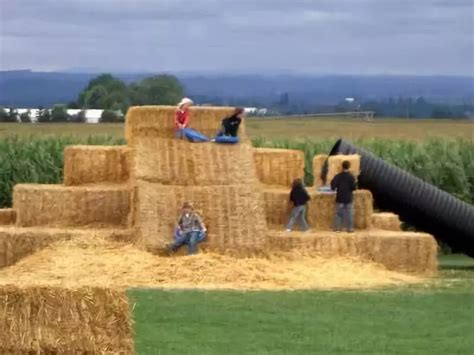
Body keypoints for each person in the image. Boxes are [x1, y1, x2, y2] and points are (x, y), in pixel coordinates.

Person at [330, 160, 357, 233]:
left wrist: (335, 188)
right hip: (348, 198)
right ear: (349, 167)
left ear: (342, 166)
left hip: (340, 197)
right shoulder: (351, 177)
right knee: (349, 214)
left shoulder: (338, 176)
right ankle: (350, 229)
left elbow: (332, 186)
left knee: (338, 214)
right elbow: (354, 188)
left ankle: (337, 229)